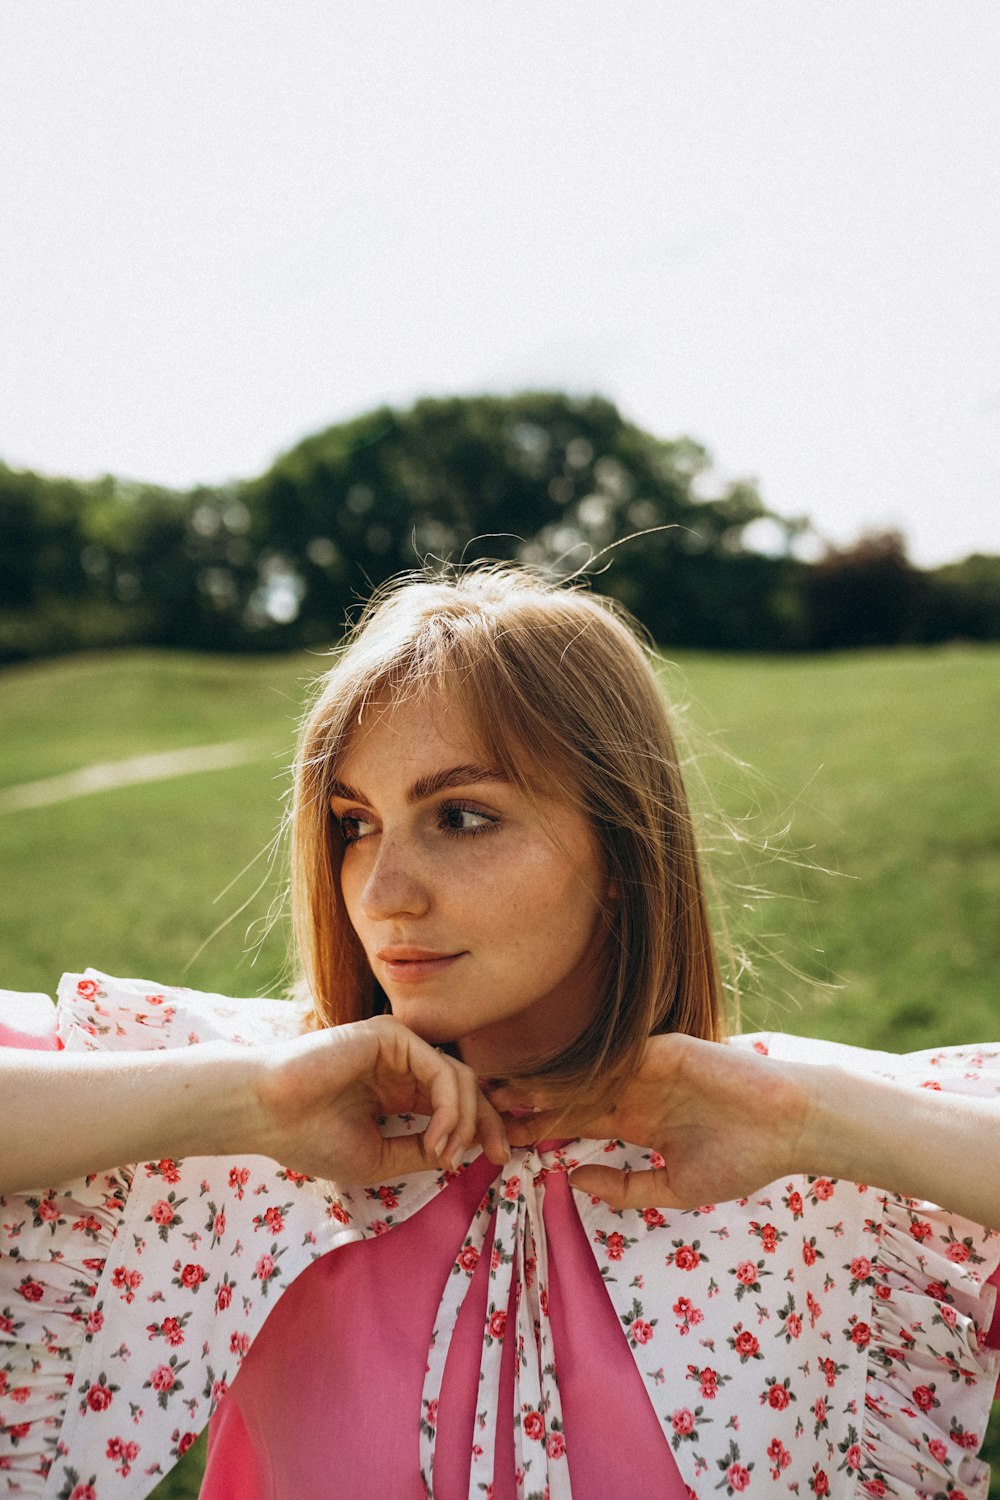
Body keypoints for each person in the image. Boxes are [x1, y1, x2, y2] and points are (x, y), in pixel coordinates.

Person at [1, 565, 999, 1500]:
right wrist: (245, 1102)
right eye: (354, 824)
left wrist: (808, 1121)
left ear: (619, 846)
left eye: (462, 817)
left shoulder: (796, 1149)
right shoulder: (262, 1113)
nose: (382, 895)